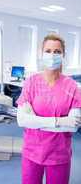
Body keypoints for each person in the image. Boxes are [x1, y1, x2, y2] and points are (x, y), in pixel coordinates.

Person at [16, 34, 81, 184]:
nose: (52, 55)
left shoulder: (72, 87)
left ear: (63, 55)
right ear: (41, 54)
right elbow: (22, 120)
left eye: (57, 52)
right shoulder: (31, 82)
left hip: (59, 155)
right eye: (48, 51)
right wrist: (60, 121)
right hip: (32, 153)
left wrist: (36, 122)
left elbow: (73, 127)